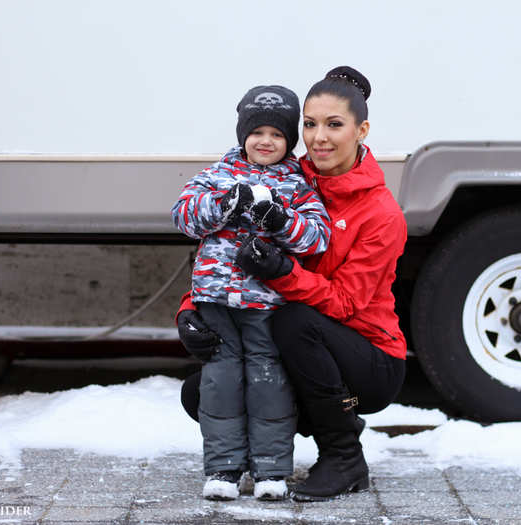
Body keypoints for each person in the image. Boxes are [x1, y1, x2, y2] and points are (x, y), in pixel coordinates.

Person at [177, 66, 407, 501]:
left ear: (362, 130)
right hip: (304, 344)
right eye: (310, 124)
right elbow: (224, 248)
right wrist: (190, 308)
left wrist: (281, 271)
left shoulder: (381, 214)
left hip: (368, 355)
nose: (319, 137)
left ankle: (344, 456)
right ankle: (244, 462)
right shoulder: (285, 175)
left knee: (294, 323)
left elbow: (342, 304)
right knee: (204, 390)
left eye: (334, 125)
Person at [171, 85, 331, 501]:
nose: (265, 141)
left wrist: (279, 219)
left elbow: (317, 237)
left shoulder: (296, 183)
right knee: (221, 381)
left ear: (289, 140)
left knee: (268, 380)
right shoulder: (218, 175)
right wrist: (224, 204)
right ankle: (223, 470)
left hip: (265, 303)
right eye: (257, 132)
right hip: (216, 301)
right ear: (243, 133)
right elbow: (184, 215)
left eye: (277, 134)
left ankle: (271, 471)